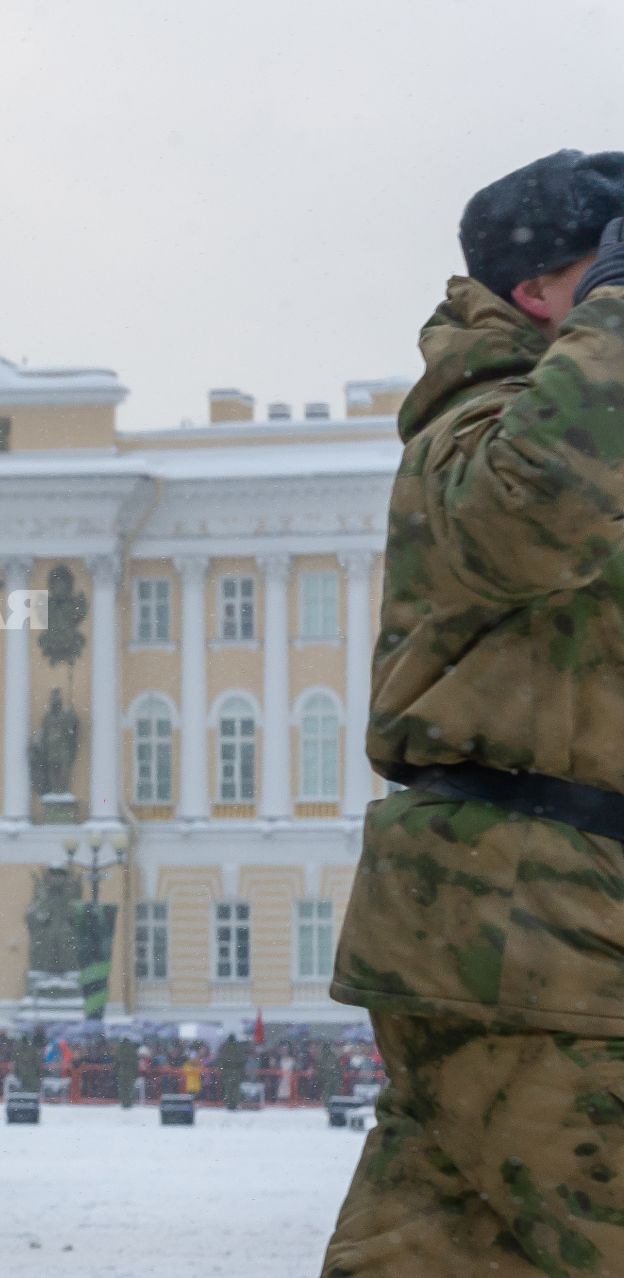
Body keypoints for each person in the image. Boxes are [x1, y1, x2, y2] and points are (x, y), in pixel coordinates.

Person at [325, 148, 624, 1277]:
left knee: (434, 1254)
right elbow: (531, 504)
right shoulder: (484, 419)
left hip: (539, 936)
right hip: (535, 936)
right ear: (550, 291)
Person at [217, 1033, 245, 1111]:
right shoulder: (238, 1049)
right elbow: (242, 1061)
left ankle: (230, 1105)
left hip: (228, 1073)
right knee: (236, 1090)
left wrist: (222, 1071)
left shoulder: (225, 1049)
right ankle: (235, 1104)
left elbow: (222, 1061)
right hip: (236, 1073)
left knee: (228, 1090)